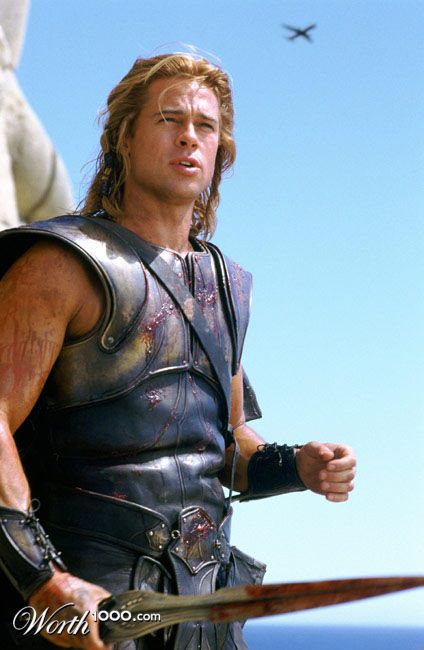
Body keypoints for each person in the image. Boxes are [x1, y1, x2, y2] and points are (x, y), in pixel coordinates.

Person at [0, 53, 356, 650]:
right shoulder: (60, 266)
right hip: (83, 612)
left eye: (205, 126)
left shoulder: (224, 287)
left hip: (202, 613)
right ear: (124, 139)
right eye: (169, 119)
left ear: (220, 151)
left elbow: (224, 445)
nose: (190, 136)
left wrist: (298, 465)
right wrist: (42, 579)